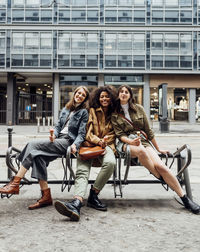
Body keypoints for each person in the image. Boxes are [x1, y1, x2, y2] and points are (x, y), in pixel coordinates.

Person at [111, 85, 200, 215]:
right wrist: (131, 141)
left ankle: (185, 199)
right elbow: (120, 135)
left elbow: (148, 131)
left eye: (126, 92)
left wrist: (158, 148)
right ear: (118, 95)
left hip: (143, 141)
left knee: (160, 166)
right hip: (125, 144)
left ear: (130, 95)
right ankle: (163, 179)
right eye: (121, 92)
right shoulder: (114, 114)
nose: (123, 94)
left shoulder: (139, 109)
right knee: (141, 151)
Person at [0, 86, 89, 210]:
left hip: (68, 142)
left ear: (85, 99)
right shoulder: (66, 109)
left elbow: (81, 133)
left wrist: (75, 144)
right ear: (74, 94)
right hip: (58, 140)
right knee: (38, 157)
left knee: (32, 145)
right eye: (78, 93)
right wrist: (54, 135)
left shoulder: (84, 112)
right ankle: (46, 196)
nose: (79, 96)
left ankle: (16, 182)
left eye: (83, 95)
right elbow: (58, 126)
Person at [54, 85, 117, 221]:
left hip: (107, 146)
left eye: (107, 96)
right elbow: (87, 132)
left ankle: (94, 195)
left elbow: (114, 133)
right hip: (88, 145)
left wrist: (105, 143)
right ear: (97, 98)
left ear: (111, 98)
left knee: (111, 162)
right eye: (102, 96)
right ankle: (76, 203)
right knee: (82, 171)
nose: (104, 99)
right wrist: (98, 141)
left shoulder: (115, 113)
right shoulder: (91, 111)